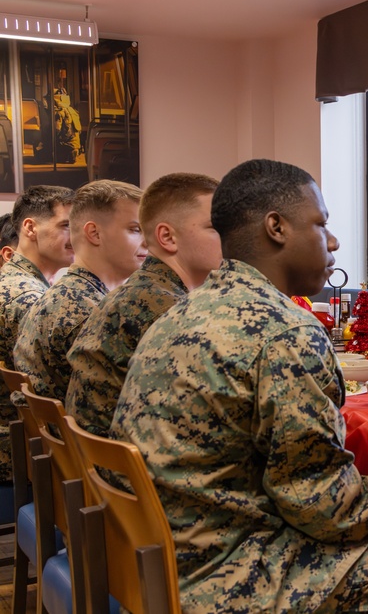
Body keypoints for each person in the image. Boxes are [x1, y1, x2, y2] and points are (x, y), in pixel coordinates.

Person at [111, 159, 368, 612]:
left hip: (157, 563)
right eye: (321, 224)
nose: (333, 241)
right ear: (276, 228)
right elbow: (324, 505)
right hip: (229, 578)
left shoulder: (181, 312)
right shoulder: (284, 330)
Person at [66, 173, 221, 436]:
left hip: (103, 455)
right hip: (126, 458)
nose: (232, 238)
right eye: (215, 227)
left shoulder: (144, 291)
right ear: (167, 237)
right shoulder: (166, 310)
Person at [14, 180, 145, 402]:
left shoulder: (67, 294)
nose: (149, 241)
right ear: (94, 233)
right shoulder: (90, 313)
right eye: (135, 229)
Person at [0, 185, 74, 482]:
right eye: (66, 226)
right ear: (30, 228)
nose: (76, 236)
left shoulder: (13, 281)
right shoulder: (28, 298)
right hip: (20, 452)